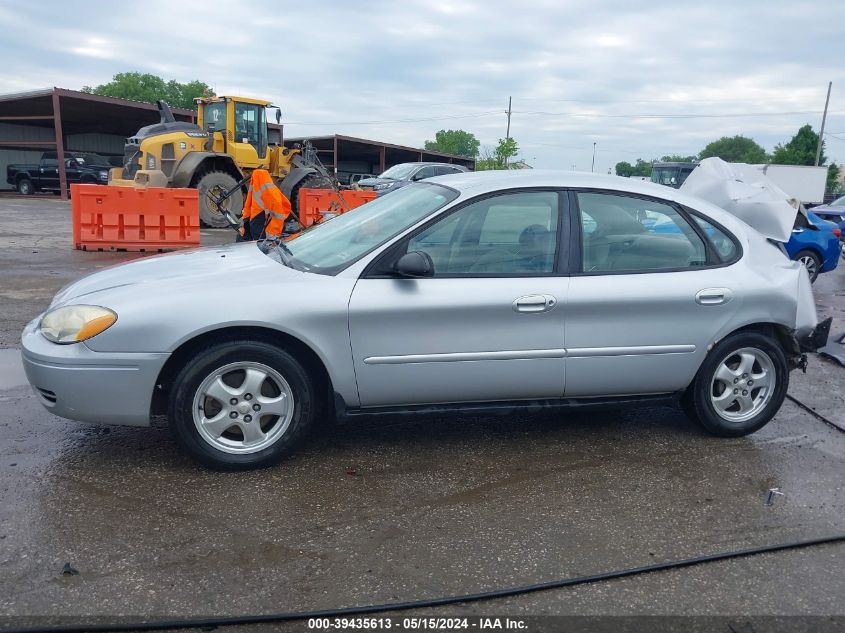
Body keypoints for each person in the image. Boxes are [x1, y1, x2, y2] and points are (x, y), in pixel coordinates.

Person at [237, 169, 291, 241]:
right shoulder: (269, 189)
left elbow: (277, 212)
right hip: (258, 218)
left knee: (257, 242)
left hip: (259, 219)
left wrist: (272, 233)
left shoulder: (265, 189)